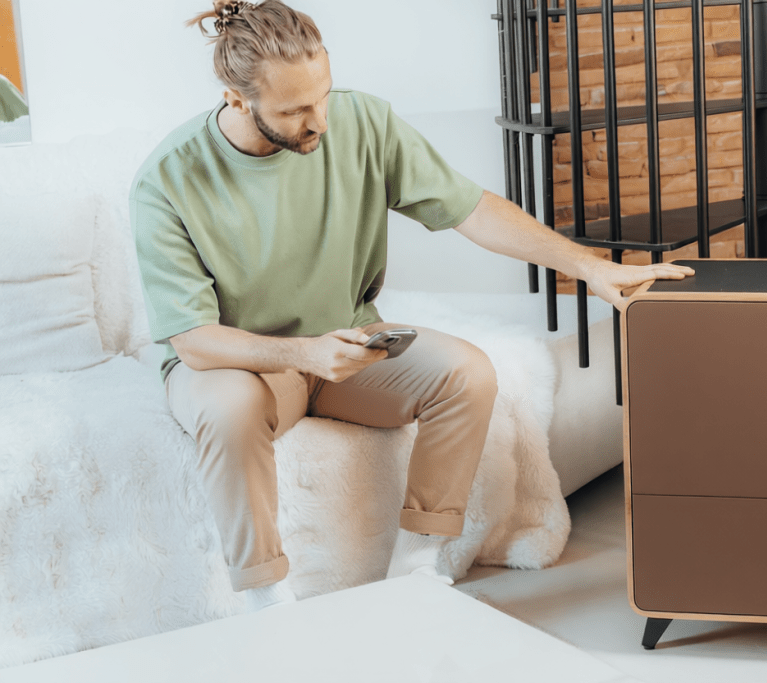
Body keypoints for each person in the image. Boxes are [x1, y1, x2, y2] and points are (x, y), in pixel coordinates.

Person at [130, 0, 694, 612]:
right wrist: (303, 354)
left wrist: (590, 267)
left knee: (468, 373)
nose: (319, 120)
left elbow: (471, 209)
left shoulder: (362, 123)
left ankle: (420, 564)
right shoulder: (168, 180)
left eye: (323, 95)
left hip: (348, 344)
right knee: (230, 408)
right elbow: (193, 339)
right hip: (244, 363)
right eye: (294, 110)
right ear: (237, 100)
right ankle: (265, 599)